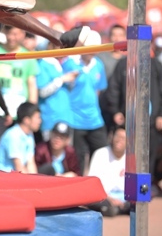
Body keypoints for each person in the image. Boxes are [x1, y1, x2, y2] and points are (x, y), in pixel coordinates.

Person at [104, 54, 162, 188]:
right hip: (128, 121)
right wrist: (115, 111)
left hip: (151, 121)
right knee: (128, 154)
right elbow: (114, 87)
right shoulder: (123, 64)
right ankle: (126, 186)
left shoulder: (155, 65)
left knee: (148, 155)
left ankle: (144, 187)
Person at [0, 25, 39, 165]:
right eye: (8, 34)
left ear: (22, 34)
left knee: (23, 156)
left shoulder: (28, 56)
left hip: (21, 114)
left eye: (15, 34)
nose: (11, 38)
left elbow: (32, 86)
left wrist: (32, 113)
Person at [62, 33, 108, 174]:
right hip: (75, 119)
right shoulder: (70, 63)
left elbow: (98, 90)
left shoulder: (98, 65)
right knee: (78, 159)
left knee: (101, 154)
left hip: (94, 118)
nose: (90, 52)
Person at [37, 41, 78, 140]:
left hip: (66, 118)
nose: (62, 49)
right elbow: (42, 92)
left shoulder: (60, 63)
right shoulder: (43, 63)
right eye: (59, 46)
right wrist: (62, 79)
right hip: (51, 119)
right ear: (50, 46)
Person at [87, 126, 130, 217]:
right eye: (117, 136)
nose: (119, 140)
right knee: (91, 198)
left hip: (125, 197)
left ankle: (116, 209)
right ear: (111, 137)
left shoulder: (131, 157)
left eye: (123, 138)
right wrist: (110, 199)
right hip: (105, 196)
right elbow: (92, 182)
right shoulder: (100, 153)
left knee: (143, 196)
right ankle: (118, 209)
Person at [0, 102, 41, 173]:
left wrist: (36, 179)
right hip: (2, 176)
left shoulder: (29, 135)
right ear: (27, 120)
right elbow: (19, 168)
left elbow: (31, 164)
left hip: (16, 175)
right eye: (37, 118)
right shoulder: (13, 136)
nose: (40, 121)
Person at [97, 25, 127, 132]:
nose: (117, 38)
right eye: (114, 35)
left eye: (120, 35)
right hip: (103, 104)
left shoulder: (127, 60)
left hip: (121, 106)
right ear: (109, 37)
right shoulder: (100, 58)